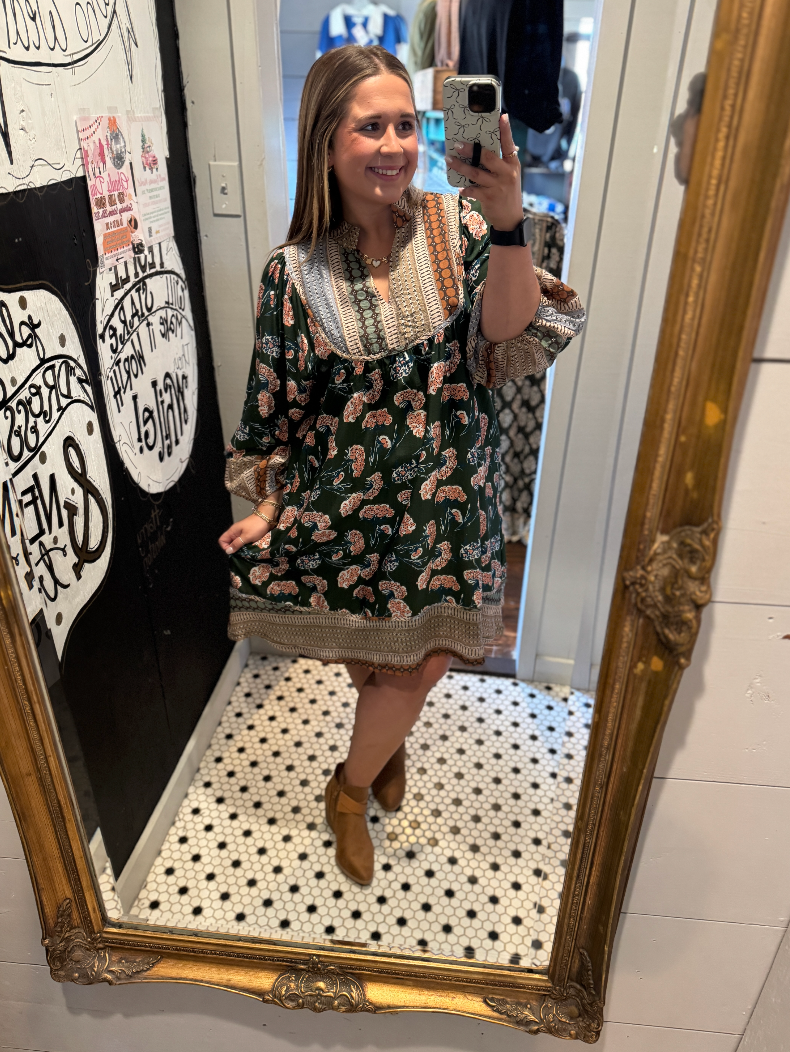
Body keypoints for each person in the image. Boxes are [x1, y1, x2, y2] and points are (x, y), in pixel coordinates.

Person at [218, 46, 584, 886]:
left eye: (406, 125)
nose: (394, 144)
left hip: (448, 510)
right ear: (324, 142)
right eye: (369, 126)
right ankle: (379, 759)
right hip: (340, 511)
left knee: (418, 665)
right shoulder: (293, 273)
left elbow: (510, 338)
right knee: (382, 666)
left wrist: (505, 218)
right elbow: (277, 404)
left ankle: (347, 788)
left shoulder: (458, 228)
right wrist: (269, 505)